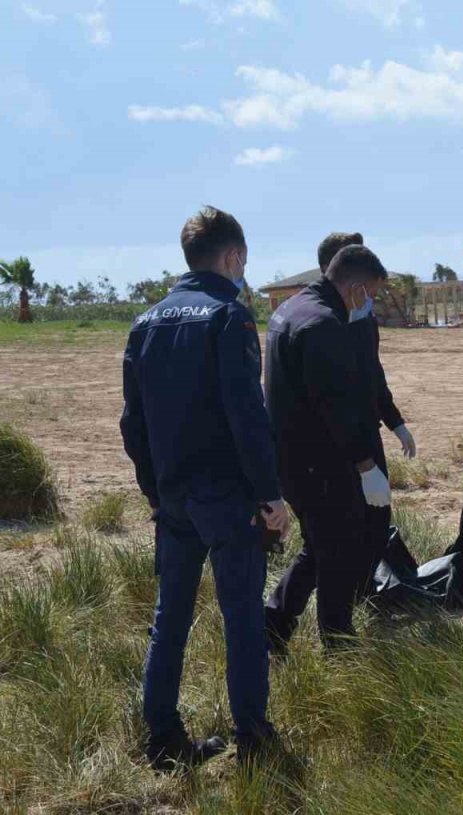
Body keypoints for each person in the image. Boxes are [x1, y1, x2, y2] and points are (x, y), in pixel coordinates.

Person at [120, 205, 288, 770]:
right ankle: (254, 740)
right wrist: (271, 494)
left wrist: (154, 488)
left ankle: (163, 739)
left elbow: (132, 422)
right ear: (234, 256)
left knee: (170, 619)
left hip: (173, 497)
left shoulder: (145, 323)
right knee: (242, 618)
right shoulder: (229, 317)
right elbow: (247, 414)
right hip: (227, 497)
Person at [261, 234, 415, 653]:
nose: (371, 305)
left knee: (323, 545)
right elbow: (332, 405)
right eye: (372, 295)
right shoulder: (323, 324)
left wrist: (394, 422)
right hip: (320, 464)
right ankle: (338, 644)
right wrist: (366, 468)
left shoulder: (295, 309)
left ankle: (272, 626)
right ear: (356, 287)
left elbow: (363, 381)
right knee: (338, 552)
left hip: (298, 460)